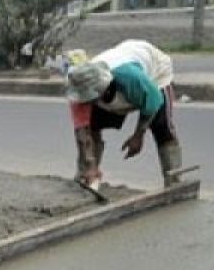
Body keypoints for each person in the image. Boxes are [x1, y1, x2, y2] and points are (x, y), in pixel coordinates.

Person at [64, 40, 181, 187]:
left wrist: (138, 136)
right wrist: (90, 165)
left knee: (162, 127)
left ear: (102, 89)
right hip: (123, 61)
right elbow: (82, 131)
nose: (86, 102)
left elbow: (153, 102)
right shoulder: (78, 86)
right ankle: (87, 178)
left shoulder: (130, 78)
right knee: (93, 125)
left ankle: (174, 181)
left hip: (154, 71)